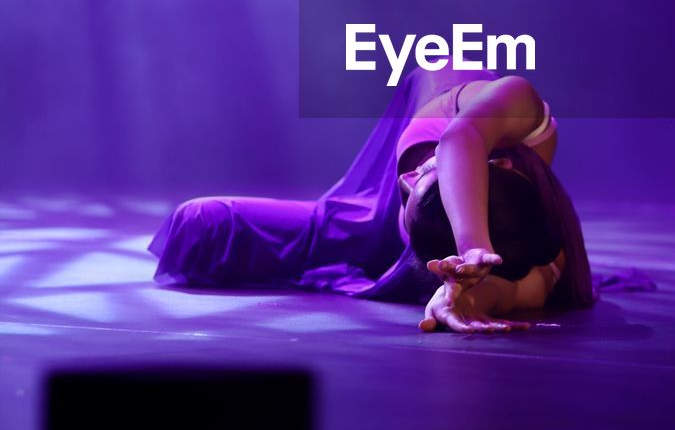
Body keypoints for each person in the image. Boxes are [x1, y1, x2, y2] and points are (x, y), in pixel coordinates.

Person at [149, 64, 648, 333]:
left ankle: (407, 250)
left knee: (202, 223)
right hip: (375, 202)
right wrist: (473, 246)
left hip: (401, 239)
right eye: (421, 177)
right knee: (198, 226)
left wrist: (465, 294)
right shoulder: (517, 114)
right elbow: (461, 140)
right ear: (492, 169)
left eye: (413, 190)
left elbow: (518, 293)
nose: (408, 177)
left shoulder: (539, 263)